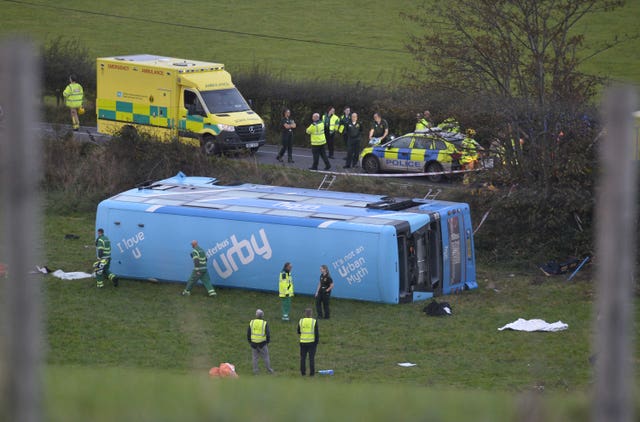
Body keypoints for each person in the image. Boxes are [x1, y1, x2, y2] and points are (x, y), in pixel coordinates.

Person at [247, 309, 274, 374]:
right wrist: (267, 342)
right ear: (262, 316)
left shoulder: (252, 322)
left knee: (255, 358)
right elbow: (268, 334)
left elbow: (248, 333)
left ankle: (255, 372)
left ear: (256, 315)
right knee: (266, 357)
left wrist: (250, 342)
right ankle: (269, 370)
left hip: (253, 344)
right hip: (262, 344)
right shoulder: (264, 323)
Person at [297, 308, 319, 376]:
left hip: (303, 342)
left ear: (305, 314)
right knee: (311, 358)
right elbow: (316, 333)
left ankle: (303, 372)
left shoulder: (301, 321)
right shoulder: (314, 321)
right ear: (311, 313)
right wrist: (316, 341)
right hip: (312, 342)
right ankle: (312, 373)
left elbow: (298, 331)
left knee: (303, 358)